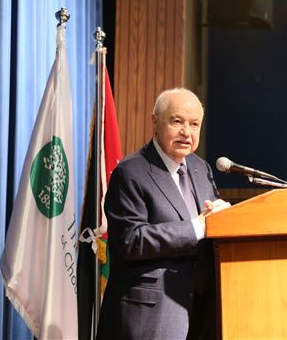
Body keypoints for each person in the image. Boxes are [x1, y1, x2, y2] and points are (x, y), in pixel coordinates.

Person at [97, 88, 230, 340]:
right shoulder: (131, 172)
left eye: (194, 124)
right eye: (177, 121)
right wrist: (197, 227)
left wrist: (225, 221)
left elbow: (210, 226)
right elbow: (131, 240)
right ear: (155, 122)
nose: (186, 132)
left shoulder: (201, 169)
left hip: (199, 313)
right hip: (150, 318)